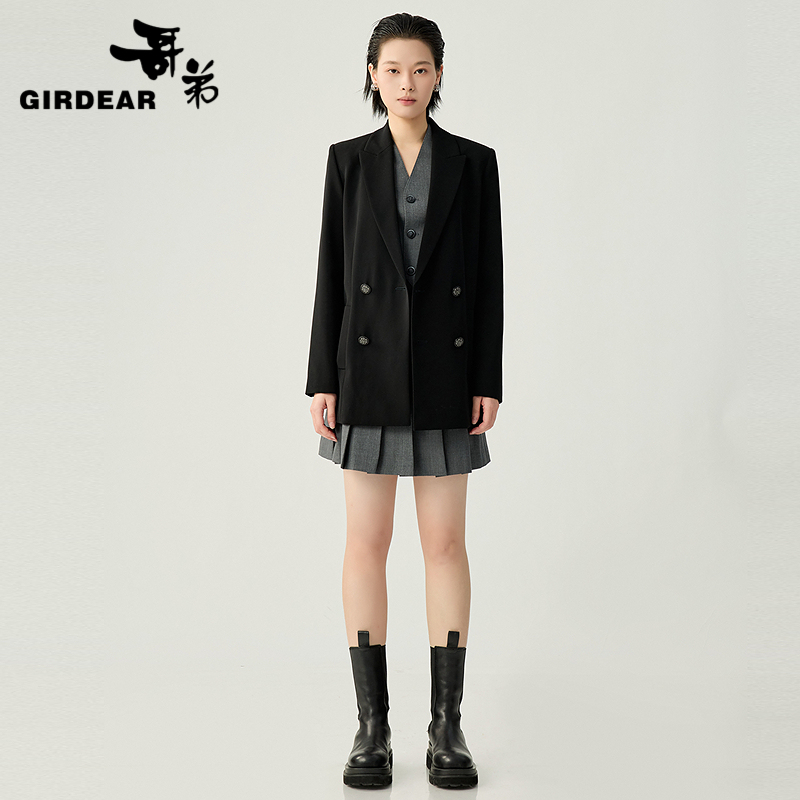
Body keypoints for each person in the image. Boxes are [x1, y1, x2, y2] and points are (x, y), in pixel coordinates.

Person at [305, 12, 503, 790]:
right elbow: (330, 272)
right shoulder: (348, 161)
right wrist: (322, 378)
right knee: (366, 542)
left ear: (439, 75)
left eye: (420, 69)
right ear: (373, 76)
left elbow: (488, 277)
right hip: (366, 373)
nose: (407, 83)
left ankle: (446, 727)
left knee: (445, 545)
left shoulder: (475, 163)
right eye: (392, 70)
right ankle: (372, 728)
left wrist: (487, 377)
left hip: (448, 375)